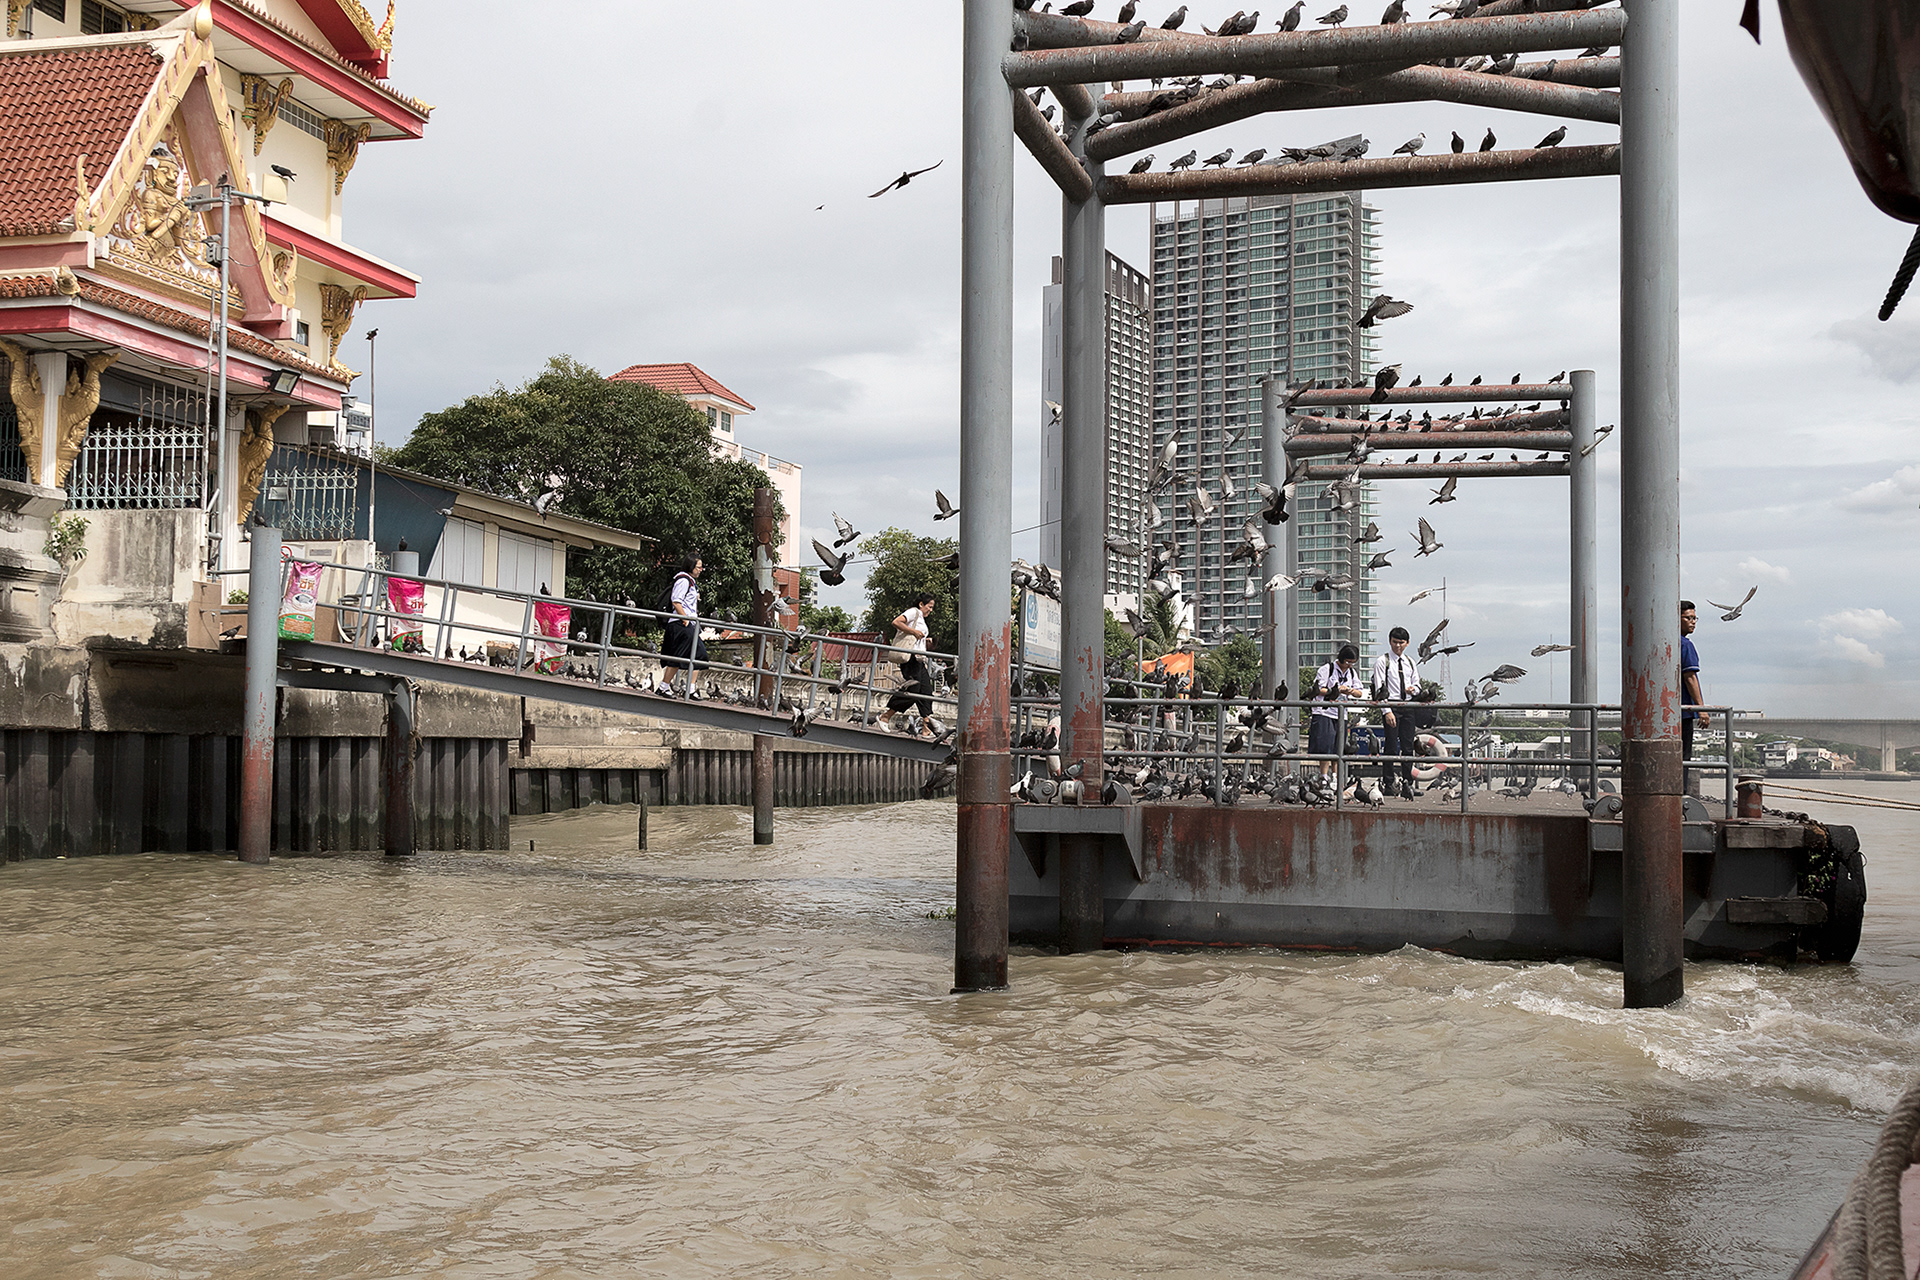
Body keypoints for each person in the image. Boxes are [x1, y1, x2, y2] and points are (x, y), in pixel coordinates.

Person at [1372, 625, 1422, 798]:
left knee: (1408, 746)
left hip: (1408, 706)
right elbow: (1379, 688)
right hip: (1391, 704)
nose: (1398, 646)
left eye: (1401, 643)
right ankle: (1388, 783)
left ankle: (1407, 784)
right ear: (1390, 642)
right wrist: (1386, 711)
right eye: (1395, 642)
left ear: (1407, 643)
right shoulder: (1383, 661)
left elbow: (1418, 684)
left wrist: (1412, 690)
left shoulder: (1410, 662)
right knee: (1391, 745)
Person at [1309, 643, 1368, 777]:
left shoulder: (1352, 673)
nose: (1349, 665)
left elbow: (1360, 692)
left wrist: (1351, 691)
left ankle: (1336, 778)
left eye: (1353, 663)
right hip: (1324, 711)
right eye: (1347, 662)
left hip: (1341, 714)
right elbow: (1318, 689)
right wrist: (1336, 690)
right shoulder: (1327, 669)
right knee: (1325, 747)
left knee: (1339, 748)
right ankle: (1324, 776)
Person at [884, 593, 938, 733]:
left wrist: (926, 641)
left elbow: (916, 637)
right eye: (929, 607)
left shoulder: (921, 618)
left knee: (926, 691)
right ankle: (886, 716)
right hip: (910, 658)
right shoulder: (913, 612)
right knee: (912, 689)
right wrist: (914, 632)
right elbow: (896, 622)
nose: (931, 610)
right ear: (921, 604)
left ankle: (927, 728)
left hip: (919, 658)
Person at [661, 553, 705, 695]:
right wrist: (685, 620)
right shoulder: (683, 580)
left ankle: (690, 689)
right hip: (681, 624)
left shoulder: (691, 582)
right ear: (691, 567)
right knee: (679, 656)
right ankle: (664, 687)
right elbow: (676, 601)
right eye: (698, 567)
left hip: (690, 624)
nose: (700, 570)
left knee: (698, 655)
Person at [1681, 599, 1707, 794]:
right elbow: (1690, 678)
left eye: (1695, 618)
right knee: (1683, 759)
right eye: (1689, 618)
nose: (1693, 622)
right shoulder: (1686, 646)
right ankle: (1679, 797)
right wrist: (1701, 710)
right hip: (1683, 714)